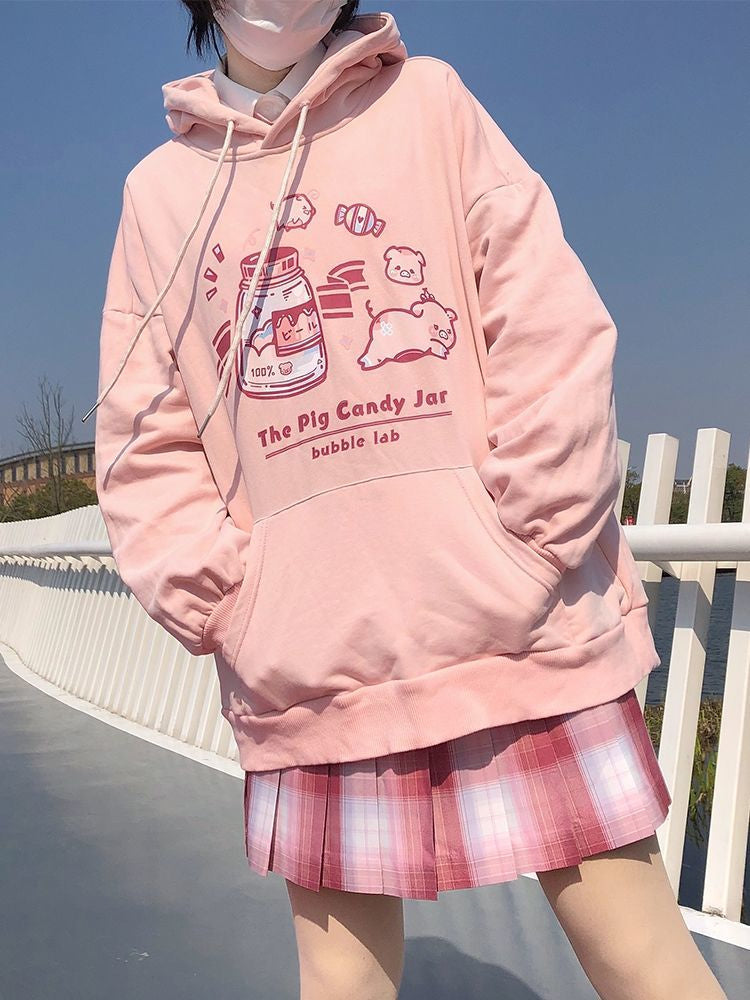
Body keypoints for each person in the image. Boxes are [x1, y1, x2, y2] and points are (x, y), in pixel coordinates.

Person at [84, 2, 729, 998]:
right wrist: (231, 602)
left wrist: (531, 536)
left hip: (527, 634)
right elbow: (142, 429)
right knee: (340, 979)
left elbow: (545, 320)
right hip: (314, 667)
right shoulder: (161, 193)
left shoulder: (429, 103)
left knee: (638, 952)